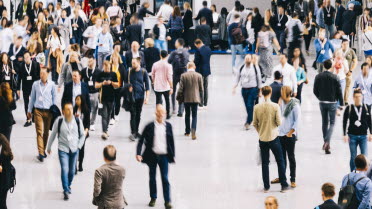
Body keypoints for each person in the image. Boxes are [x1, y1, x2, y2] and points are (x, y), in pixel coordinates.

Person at [136, 104, 175, 209]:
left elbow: (171, 141)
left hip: (164, 156)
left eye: (162, 113)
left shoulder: (168, 126)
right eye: (158, 112)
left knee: (165, 178)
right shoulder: (149, 126)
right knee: (152, 178)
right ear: (155, 113)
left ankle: (167, 201)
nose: (160, 115)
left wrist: (173, 155)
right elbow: (141, 140)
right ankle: (153, 197)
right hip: (152, 156)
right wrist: (138, 153)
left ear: (165, 114)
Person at [253, 86, 289, 193]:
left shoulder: (257, 107)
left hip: (262, 138)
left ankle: (266, 187)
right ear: (271, 92)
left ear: (262, 93)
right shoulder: (275, 106)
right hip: (274, 138)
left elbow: (255, 123)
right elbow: (279, 122)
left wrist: (260, 132)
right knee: (280, 160)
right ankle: (283, 184)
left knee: (265, 163)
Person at [46, 102, 85, 200]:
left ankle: (68, 184)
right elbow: (53, 134)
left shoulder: (77, 121)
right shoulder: (59, 121)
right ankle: (66, 190)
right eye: (67, 109)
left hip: (74, 149)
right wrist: (49, 147)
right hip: (63, 149)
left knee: (71, 171)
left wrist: (79, 146)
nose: (69, 111)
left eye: (71, 109)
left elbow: (82, 135)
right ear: (63, 111)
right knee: (64, 169)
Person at [271, 86, 301, 188]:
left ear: (286, 93)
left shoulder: (294, 105)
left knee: (291, 157)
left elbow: (297, 121)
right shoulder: (282, 103)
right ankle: (281, 177)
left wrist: (290, 132)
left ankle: (293, 179)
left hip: (289, 135)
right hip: (280, 134)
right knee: (281, 158)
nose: (280, 94)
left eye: (281, 93)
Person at [313, 59, 344, 154]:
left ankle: (326, 143)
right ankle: (327, 141)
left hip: (322, 102)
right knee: (332, 123)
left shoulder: (318, 76)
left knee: (324, 122)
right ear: (331, 66)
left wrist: (320, 97)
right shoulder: (335, 77)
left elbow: (315, 90)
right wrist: (341, 104)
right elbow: (339, 92)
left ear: (323, 65)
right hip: (332, 103)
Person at [28, 68, 57, 162]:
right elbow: (32, 97)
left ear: (48, 74)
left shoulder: (52, 85)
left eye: (43, 74)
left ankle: (43, 150)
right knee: (39, 132)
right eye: (40, 73)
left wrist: (54, 110)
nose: (41, 75)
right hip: (38, 111)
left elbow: (54, 98)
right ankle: (40, 152)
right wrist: (29, 110)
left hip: (48, 111)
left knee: (46, 132)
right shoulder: (35, 84)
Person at [343, 89, 372, 171]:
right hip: (352, 136)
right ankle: (353, 173)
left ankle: (364, 175)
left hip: (363, 136)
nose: (358, 98)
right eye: (356, 97)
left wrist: (371, 133)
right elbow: (345, 121)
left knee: (365, 156)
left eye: (359, 96)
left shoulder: (366, 107)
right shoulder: (349, 108)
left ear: (362, 97)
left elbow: (369, 120)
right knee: (353, 157)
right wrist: (344, 134)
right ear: (353, 97)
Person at [233, 54, 262, 130]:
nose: (248, 60)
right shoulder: (242, 67)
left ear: (251, 59)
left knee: (250, 105)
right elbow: (237, 77)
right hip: (244, 89)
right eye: (246, 59)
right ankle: (251, 117)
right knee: (247, 106)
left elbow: (259, 79)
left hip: (253, 89)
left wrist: (260, 90)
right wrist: (234, 86)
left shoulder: (255, 68)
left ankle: (248, 122)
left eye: (249, 58)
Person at [176, 62, 204, 140]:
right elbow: (201, 89)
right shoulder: (199, 75)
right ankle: (193, 130)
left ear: (187, 67)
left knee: (187, 115)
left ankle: (187, 131)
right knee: (194, 116)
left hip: (186, 99)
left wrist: (178, 97)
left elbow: (180, 88)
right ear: (194, 67)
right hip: (196, 99)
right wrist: (201, 101)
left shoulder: (183, 75)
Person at [126, 57, 150, 141]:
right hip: (131, 97)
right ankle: (133, 132)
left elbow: (147, 86)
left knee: (138, 114)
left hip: (140, 97)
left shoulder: (143, 72)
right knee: (133, 114)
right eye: (132, 63)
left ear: (138, 63)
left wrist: (147, 98)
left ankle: (136, 131)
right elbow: (125, 83)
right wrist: (128, 87)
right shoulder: (129, 71)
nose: (132, 65)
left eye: (134, 63)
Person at [95, 61, 119, 140]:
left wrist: (111, 82)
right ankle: (104, 132)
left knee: (109, 115)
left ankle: (106, 129)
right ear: (103, 67)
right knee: (104, 115)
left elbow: (117, 85)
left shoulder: (113, 74)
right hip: (103, 98)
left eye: (108, 67)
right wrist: (102, 83)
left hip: (111, 98)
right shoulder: (100, 74)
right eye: (106, 68)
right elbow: (96, 85)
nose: (107, 69)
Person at [17, 51, 40, 127]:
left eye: (27, 56)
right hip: (25, 87)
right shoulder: (21, 65)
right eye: (25, 57)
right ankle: (28, 119)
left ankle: (33, 116)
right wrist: (18, 89)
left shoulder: (36, 64)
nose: (26, 58)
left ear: (30, 57)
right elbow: (19, 78)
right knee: (26, 103)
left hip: (34, 87)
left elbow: (39, 77)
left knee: (35, 102)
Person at [168, 38, 189, 117]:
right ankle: (181, 110)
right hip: (183, 73)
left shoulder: (173, 53)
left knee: (172, 90)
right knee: (182, 91)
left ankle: (173, 108)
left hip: (175, 73)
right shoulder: (186, 52)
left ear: (178, 43)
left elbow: (169, 61)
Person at [81, 54, 101, 131]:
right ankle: (85, 122)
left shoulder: (98, 71)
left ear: (94, 61)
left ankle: (92, 123)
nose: (90, 63)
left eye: (91, 61)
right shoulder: (83, 71)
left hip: (95, 92)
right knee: (85, 108)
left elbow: (100, 81)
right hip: (86, 92)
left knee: (95, 107)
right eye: (89, 61)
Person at [152, 50, 173, 119]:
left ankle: (158, 114)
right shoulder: (169, 65)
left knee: (158, 101)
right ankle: (167, 114)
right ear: (167, 56)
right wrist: (171, 87)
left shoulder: (155, 64)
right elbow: (169, 77)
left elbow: (152, 74)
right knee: (167, 101)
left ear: (160, 55)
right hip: (166, 86)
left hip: (157, 86)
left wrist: (153, 81)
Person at [109, 52, 126, 125]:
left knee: (118, 101)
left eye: (116, 58)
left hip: (119, 87)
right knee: (111, 102)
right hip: (111, 87)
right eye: (113, 58)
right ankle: (112, 117)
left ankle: (116, 114)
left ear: (118, 59)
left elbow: (124, 76)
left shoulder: (121, 67)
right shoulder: (109, 66)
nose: (114, 59)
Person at [74, 95, 89, 172]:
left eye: (78, 99)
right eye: (76, 99)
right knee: (74, 148)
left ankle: (80, 164)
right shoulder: (74, 109)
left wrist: (86, 130)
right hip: (75, 132)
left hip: (83, 132)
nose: (76, 101)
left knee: (81, 149)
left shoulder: (86, 110)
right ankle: (74, 166)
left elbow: (87, 122)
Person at [194, 39, 211, 109]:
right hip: (207, 70)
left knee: (200, 88)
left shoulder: (198, 51)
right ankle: (205, 103)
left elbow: (197, 62)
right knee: (205, 87)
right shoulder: (208, 49)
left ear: (198, 44)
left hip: (200, 71)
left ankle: (200, 103)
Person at [342, 39, 358, 105]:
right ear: (342, 44)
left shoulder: (351, 51)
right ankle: (339, 99)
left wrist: (351, 70)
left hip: (348, 72)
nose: (346, 45)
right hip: (340, 72)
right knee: (340, 86)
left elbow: (355, 62)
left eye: (347, 44)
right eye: (344, 44)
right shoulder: (338, 51)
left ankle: (346, 100)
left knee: (347, 86)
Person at [0, 133, 14, 209]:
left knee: (2, 203)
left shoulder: (3, 155)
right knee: (3, 202)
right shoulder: (6, 151)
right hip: (5, 182)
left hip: (2, 182)